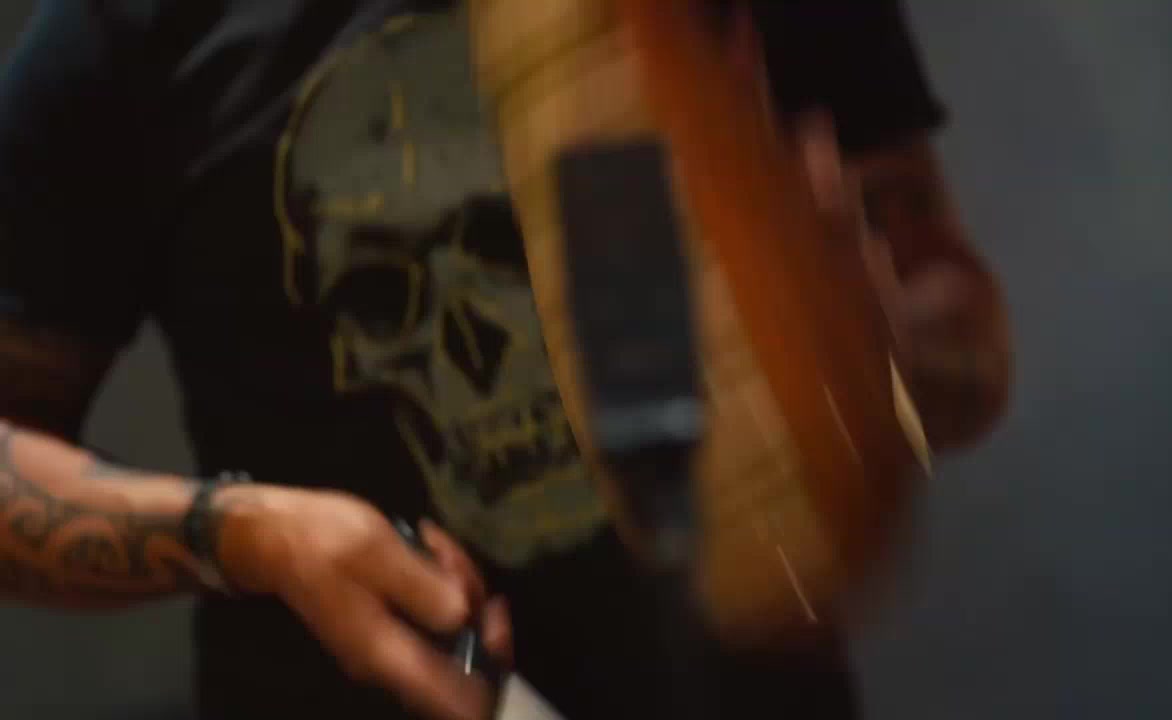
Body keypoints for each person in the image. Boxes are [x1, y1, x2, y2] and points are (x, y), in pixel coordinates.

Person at [0, 0, 1011, 718]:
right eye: (384, 294)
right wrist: (246, 534)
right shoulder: (129, 28)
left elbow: (959, 326)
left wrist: (859, 355)